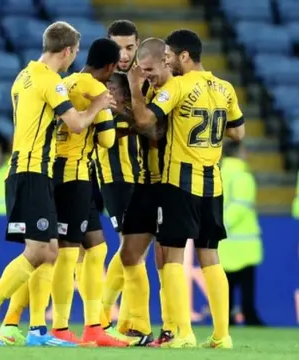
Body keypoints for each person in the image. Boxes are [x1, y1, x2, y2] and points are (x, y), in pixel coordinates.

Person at [0, 21, 114, 347]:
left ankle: (38, 331)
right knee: (37, 251)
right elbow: (76, 125)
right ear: (66, 51)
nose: (74, 58)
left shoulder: (24, 75)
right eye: (74, 52)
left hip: (33, 170)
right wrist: (97, 106)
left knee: (49, 251)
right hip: (31, 171)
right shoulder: (51, 81)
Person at [128, 29, 245, 349]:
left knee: (174, 258)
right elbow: (239, 132)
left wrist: (136, 90)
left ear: (184, 56)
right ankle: (222, 336)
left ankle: (183, 334)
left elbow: (143, 120)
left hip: (180, 183)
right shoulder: (225, 87)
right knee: (211, 257)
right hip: (213, 183)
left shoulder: (178, 86)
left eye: (169, 56)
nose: (166, 61)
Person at [94, 21, 148, 344]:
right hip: (114, 177)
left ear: (138, 45)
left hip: (142, 176)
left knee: (135, 251)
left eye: (130, 47)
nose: (125, 54)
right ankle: (124, 323)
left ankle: (114, 320)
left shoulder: (144, 79)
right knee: (132, 249)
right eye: (118, 47)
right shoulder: (99, 82)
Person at [120, 38, 175, 347]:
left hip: (168, 185)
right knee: (129, 253)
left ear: (166, 63)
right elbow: (140, 124)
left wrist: (132, 97)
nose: (147, 75)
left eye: (151, 69)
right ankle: (140, 326)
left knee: (165, 258)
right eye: (143, 71)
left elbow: (153, 130)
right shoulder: (150, 93)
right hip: (145, 183)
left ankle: (171, 328)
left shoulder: (172, 92)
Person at [219, 140, 264, 326]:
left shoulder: (218, 173)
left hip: (224, 241)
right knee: (246, 285)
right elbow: (242, 204)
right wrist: (226, 223)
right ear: (239, 152)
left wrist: (218, 225)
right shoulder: (242, 175)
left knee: (226, 284)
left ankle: (226, 317)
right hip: (243, 241)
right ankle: (249, 315)